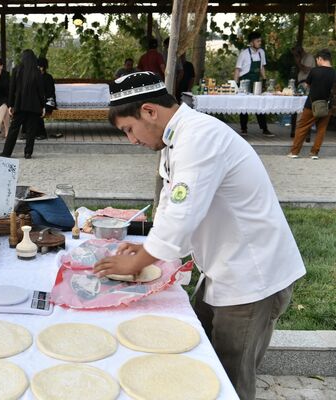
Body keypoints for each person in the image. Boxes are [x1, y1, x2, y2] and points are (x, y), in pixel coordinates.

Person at [93, 72, 305, 400]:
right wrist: (142, 250)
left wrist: (138, 263)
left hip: (251, 277)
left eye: (128, 130)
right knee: (196, 362)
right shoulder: (176, 139)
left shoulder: (199, 137)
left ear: (149, 111)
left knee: (228, 379)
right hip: (222, 270)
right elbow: (169, 205)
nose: (132, 140)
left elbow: (182, 214)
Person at [288, 49, 335, 159]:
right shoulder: (334, 73)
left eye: (317, 59)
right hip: (326, 105)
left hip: (311, 104)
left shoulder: (315, 71)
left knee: (302, 127)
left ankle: (294, 152)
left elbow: (308, 85)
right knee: (321, 129)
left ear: (320, 59)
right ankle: (314, 153)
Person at [0, 49, 45, 159]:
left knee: (13, 130)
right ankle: (28, 153)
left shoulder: (16, 70)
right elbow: (41, 91)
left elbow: (12, 89)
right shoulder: (37, 72)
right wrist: (43, 106)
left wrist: (10, 105)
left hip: (19, 105)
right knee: (31, 130)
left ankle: (6, 152)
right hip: (34, 106)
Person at [234, 32, 274, 137]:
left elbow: (261, 67)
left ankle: (264, 129)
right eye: (258, 41)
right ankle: (243, 128)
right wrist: (235, 84)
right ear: (251, 43)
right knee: (244, 105)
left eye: (260, 41)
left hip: (256, 82)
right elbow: (237, 69)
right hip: (245, 82)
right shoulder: (244, 53)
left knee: (259, 105)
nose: (260, 43)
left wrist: (264, 79)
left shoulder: (261, 52)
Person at [35, 56, 59, 140]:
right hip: (38, 102)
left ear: (43, 67)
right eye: (37, 66)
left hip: (49, 101)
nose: (39, 68)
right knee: (31, 108)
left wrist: (43, 105)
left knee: (38, 110)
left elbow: (50, 94)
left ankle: (42, 133)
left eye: (40, 66)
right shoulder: (35, 77)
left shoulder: (48, 77)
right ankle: (27, 132)